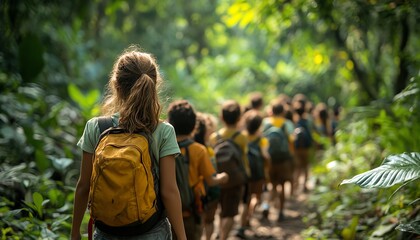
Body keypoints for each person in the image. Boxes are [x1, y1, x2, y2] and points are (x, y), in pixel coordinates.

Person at [71, 47, 187, 240]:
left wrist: (75, 233)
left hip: (107, 233)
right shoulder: (164, 131)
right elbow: (169, 191)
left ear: (116, 85)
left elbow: (84, 186)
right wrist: (182, 237)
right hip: (150, 231)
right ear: (154, 84)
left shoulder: (95, 127)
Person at [167, 100, 229, 240]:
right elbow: (211, 180)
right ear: (194, 126)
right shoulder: (198, 150)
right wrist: (223, 177)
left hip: (167, 214)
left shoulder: (162, 147)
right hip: (191, 211)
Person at [209, 100, 250, 240]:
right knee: (231, 213)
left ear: (221, 117)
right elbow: (244, 159)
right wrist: (246, 176)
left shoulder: (214, 137)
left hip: (218, 178)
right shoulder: (241, 138)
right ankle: (223, 237)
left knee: (221, 210)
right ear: (239, 118)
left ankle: (220, 233)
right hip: (235, 180)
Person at [236, 110, 270, 238]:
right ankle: (249, 216)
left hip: (245, 173)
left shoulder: (241, 137)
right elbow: (266, 156)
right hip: (258, 173)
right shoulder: (262, 140)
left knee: (246, 199)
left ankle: (242, 224)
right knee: (256, 196)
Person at [262, 99, 295, 222]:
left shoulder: (265, 122)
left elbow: (261, 139)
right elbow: (292, 140)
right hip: (284, 159)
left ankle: (267, 205)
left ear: (271, 111)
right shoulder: (287, 123)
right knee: (282, 185)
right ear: (283, 112)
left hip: (269, 159)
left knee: (272, 185)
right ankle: (280, 212)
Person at [193, 113, 220, 240]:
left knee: (200, 222)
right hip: (208, 191)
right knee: (209, 220)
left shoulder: (190, 148)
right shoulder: (207, 150)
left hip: (195, 193)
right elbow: (212, 174)